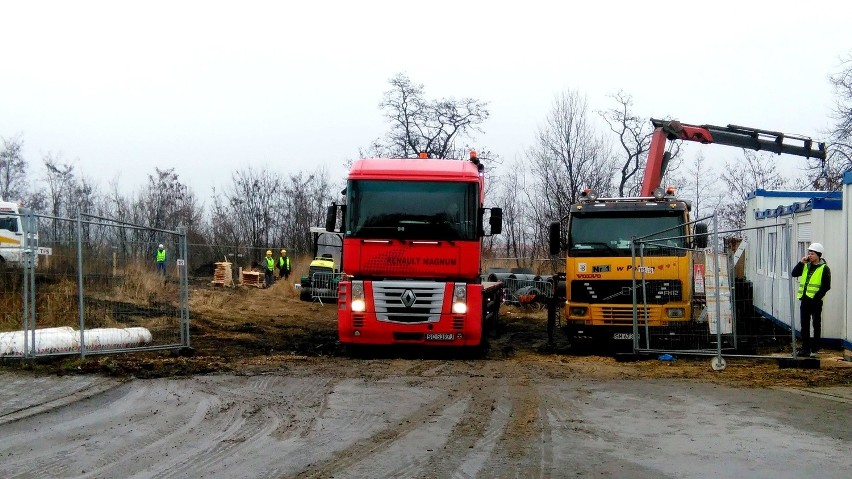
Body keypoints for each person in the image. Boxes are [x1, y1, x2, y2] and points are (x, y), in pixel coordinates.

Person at [791, 242, 831, 357]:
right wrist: (801, 262)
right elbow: (794, 274)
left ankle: (815, 348)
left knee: (816, 324)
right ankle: (805, 348)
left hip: (816, 301)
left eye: (812, 253)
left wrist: (816, 298)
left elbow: (826, 286)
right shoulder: (806, 265)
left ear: (818, 255)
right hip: (805, 300)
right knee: (804, 325)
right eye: (809, 253)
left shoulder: (824, 268)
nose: (809, 255)